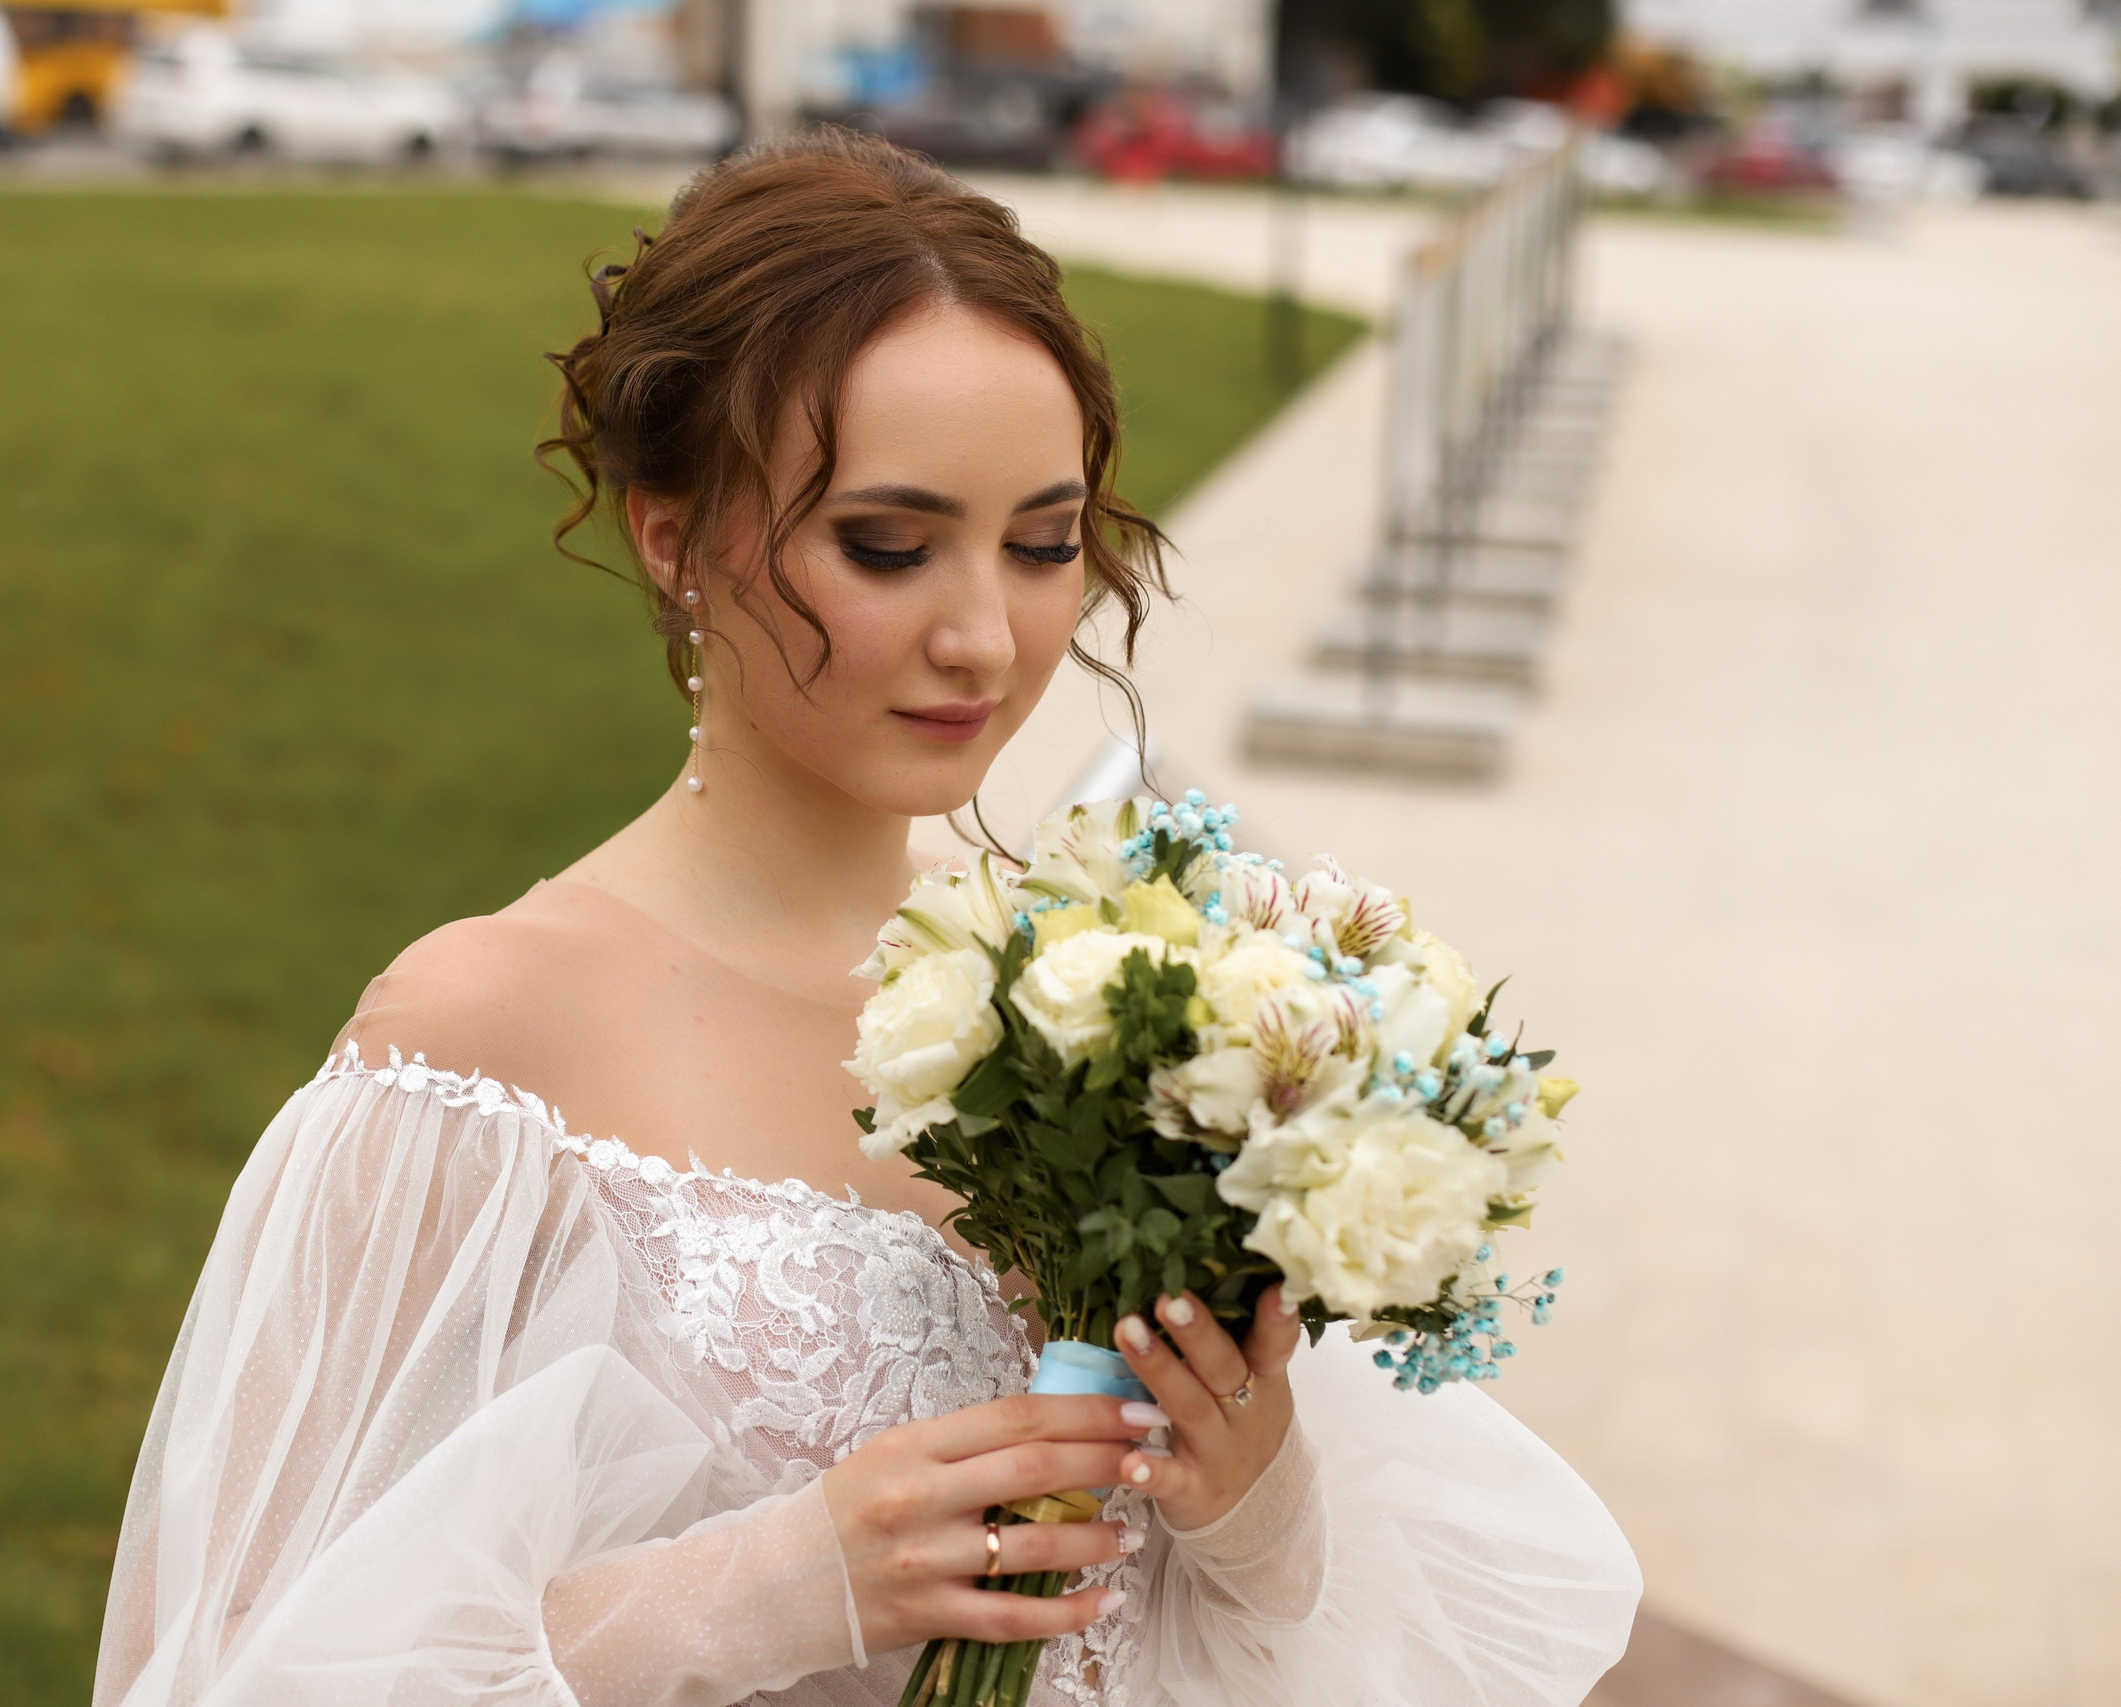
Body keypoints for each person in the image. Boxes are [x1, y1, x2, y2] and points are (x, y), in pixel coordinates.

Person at [92, 130, 1639, 1707]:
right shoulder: (486, 1031)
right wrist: (772, 1586)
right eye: (888, 546)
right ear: (674, 537)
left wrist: (1252, 1504)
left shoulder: (1119, 1004)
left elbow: (1294, 1635)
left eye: (1044, 544)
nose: (984, 635)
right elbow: (230, 1664)